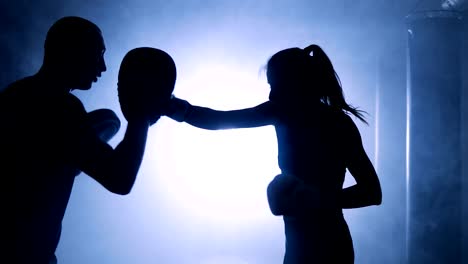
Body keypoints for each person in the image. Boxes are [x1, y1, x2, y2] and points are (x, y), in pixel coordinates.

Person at [165, 44, 382, 263]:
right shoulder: (284, 113)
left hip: (330, 246)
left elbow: (372, 192)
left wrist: (317, 199)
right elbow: (221, 120)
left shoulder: (337, 124)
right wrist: (173, 107)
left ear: (297, 83)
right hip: (300, 245)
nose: (271, 93)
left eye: (276, 85)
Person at [1, 17, 172, 263]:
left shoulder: (17, 95)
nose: (102, 67)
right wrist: (141, 115)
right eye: (99, 52)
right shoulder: (58, 106)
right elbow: (120, 178)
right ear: (72, 50)